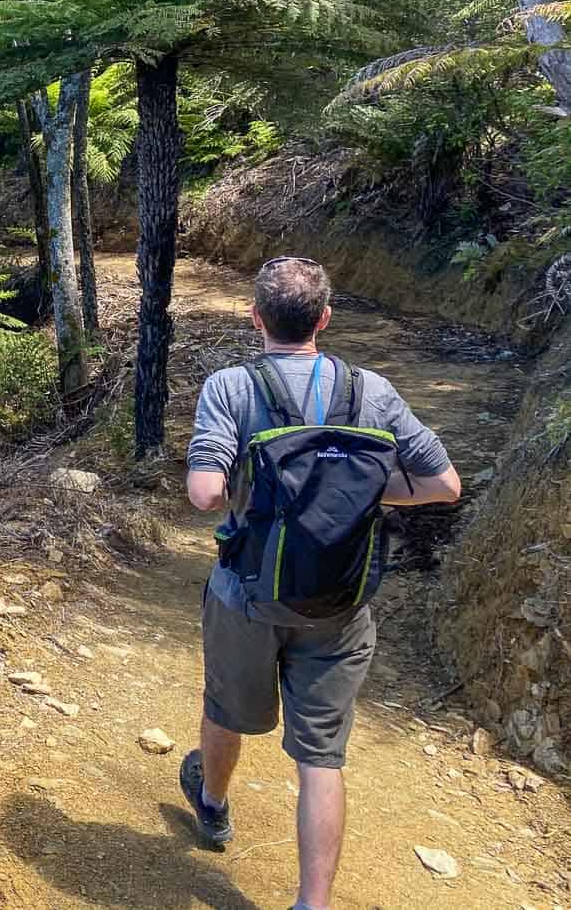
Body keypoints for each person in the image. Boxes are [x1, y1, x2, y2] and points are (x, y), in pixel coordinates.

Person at [182, 256, 461, 910]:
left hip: (246, 594)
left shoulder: (231, 386)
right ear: (325, 320)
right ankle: (312, 903)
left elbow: (203, 492)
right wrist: (355, 493)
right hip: (341, 602)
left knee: (225, 707)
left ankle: (214, 805)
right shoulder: (374, 391)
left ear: (256, 318)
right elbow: (444, 484)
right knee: (321, 758)